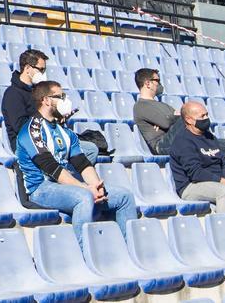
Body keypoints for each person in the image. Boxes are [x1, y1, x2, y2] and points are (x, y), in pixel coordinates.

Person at [16, 80, 136, 244]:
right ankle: (86, 253)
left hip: (65, 186)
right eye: (60, 96)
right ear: (46, 100)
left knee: (124, 197)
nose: (65, 100)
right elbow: (52, 169)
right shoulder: (31, 130)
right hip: (41, 188)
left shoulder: (64, 131)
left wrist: (97, 186)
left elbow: (82, 163)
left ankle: (128, 251)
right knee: (84, 196)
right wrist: (87, 188)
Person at [1, 49, 98, 163]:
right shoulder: (13, 94)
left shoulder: (37, 91)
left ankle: (67, 177)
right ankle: (66, 178)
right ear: (27, 68)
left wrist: (58, 117)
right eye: (41, 69)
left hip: (49, 136)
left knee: (91, 149)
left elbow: (46, 116)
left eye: (44, 70)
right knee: (88, 150)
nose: (43, 73)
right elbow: (21, 127)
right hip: (28, 143)